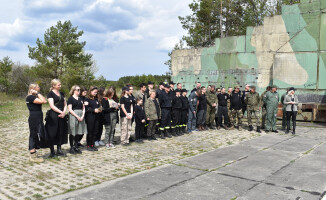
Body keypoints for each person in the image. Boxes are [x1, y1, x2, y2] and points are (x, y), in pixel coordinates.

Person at [45, 79, 68, 157]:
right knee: (52, 133)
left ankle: (59, 150)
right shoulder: (50, 94)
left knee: (60, 132)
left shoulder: (62, 93)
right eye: (59, 85)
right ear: (53, 85)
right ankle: (52, 152)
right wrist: (61, 112)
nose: (60, 86)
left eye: (60, 84)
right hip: (54, 116)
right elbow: (52, 106)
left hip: (62, 115)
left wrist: (64, 112)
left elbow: (65, 104)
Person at [26, 83, 47, 163]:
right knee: (33, 135)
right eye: (38, 87)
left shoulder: (32, 97)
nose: (39, 88)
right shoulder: (30, 97)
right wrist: (37, 93)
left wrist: (37, 94)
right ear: (33, 89)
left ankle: (34, 152)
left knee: (35, 134)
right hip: (34, 118)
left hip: (37, 118)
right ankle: (32, 155)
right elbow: (44, 101)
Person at [67, 85, 86, 154]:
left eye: (79, 89)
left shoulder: (81, 99)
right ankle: (71, 147)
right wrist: (77, 116)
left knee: (78, 132)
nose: (79, 91)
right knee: (73, 132)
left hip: (81, 116)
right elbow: (70, 109)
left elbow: (83, 108)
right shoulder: (70, 99)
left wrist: (83, 115)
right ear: (74, 90)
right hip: (73, 116)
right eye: (78, 89)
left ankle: (76, 146)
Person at [85, 86, 101, 151]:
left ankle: (92, 144)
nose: (95, 93)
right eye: (94, 92)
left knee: (95, 131)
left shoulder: (96, 99)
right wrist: (94, 110)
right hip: (90, 117)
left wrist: (100, 109)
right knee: (90, 131)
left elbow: (98, 106)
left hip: (97, 117)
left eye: (96, 92)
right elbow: (87, 109)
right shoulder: (87, 99)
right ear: (90, 91)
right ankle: (88, 145)